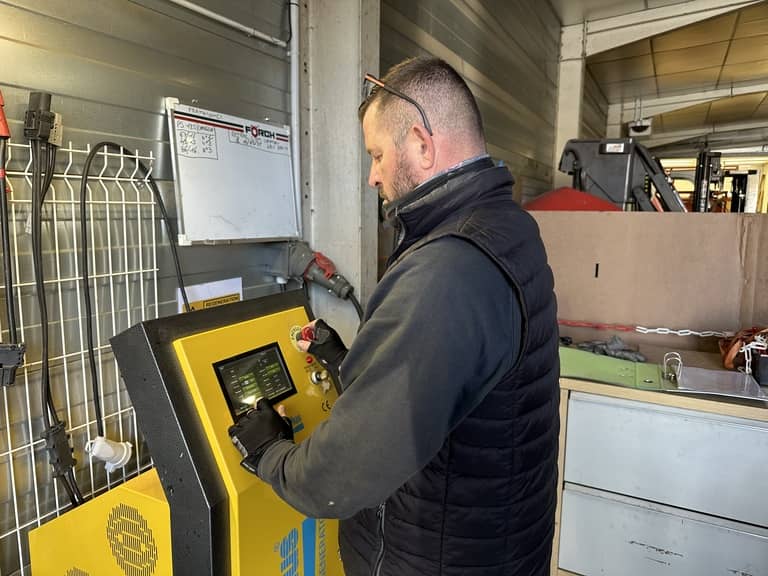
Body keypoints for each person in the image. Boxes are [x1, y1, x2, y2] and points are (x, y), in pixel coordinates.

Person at [228, 56, 560, 576]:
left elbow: (337, 481)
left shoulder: (447, 269)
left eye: (377, 155)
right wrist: (348, 361)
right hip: (496, 546)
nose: (372, 176)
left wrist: (268, 451)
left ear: (423, 145)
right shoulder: (506, 229)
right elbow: (444, 385)